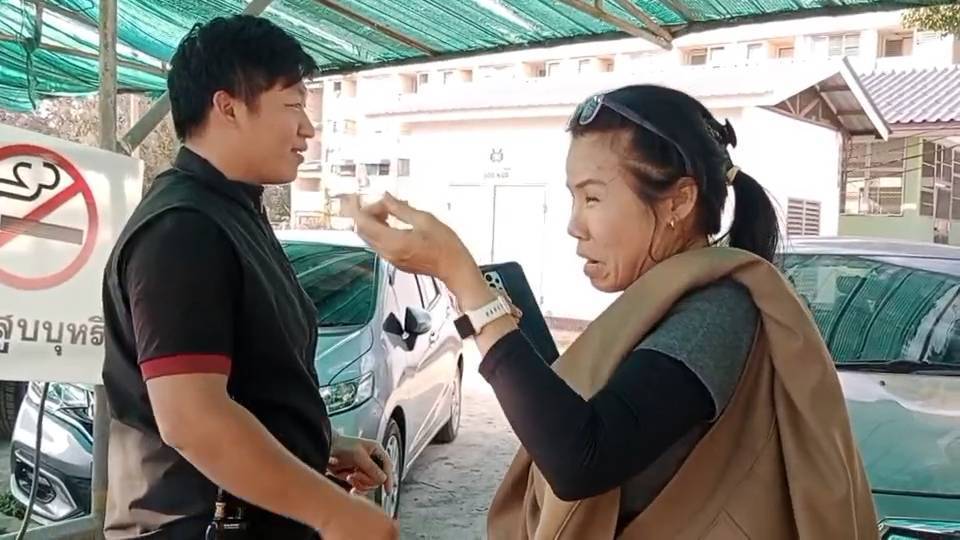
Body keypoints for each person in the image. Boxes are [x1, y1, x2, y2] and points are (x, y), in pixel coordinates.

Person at [347, 84, 878, 539]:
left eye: (593, 198)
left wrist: (464, 280)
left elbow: (582, 458)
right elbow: (571, 411)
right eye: (573, 198)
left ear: (678, 202)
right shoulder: (660, 301)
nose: (574, 224)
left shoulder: (718, 311)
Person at [101, 16, 398, 540]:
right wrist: (332, 512)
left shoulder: (233, 212)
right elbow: (193, 419)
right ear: (229, 108)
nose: (307, 129)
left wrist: (321, 445)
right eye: (293, 105)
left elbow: (253, 385)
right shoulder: (183, 229)